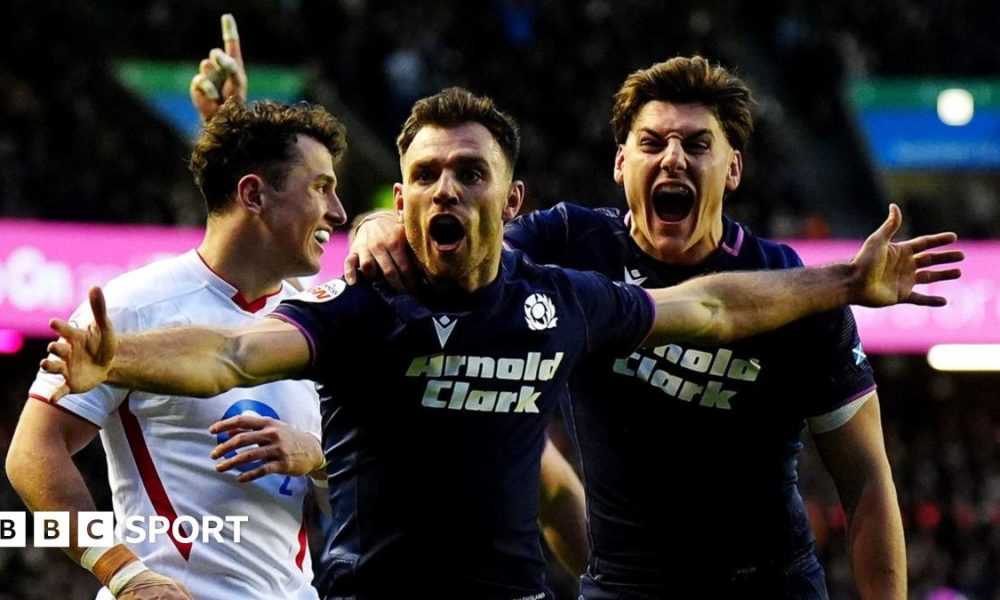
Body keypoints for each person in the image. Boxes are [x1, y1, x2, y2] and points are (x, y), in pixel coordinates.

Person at [41, 87, 960, 599]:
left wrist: (846, 281)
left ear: (509, 201)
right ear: (400, 200)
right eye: (425, 177)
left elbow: (712, 310)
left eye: (469, 173)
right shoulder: (365, 308)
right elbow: (233, 353)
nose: (446, 191)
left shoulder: (562, 302)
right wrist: (113, 360)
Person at [347, 57, 928, 598]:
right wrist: (378, 224)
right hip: (623, 586)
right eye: (652, 143)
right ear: (621, 163)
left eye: (698, 144)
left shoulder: (794, 289)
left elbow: (866, 479)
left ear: (733, 169)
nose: (673, 158)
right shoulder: (570, 245)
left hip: (767, 582)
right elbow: (467, 242)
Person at [5, 19, 348, 598]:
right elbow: (31, 454)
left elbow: (365, 480)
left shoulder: (318, 321)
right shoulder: (133, 305)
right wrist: (122, 573)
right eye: (320, 187)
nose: (338, 212)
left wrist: (314, 457)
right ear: (253, 195)